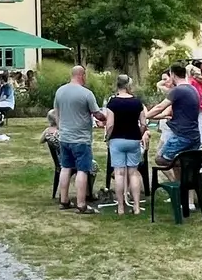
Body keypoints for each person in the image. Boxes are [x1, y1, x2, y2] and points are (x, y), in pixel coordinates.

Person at [146, 64, 202, 193]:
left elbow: (160, 107)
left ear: (172, 74)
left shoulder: (178, 90)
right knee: (180, 167)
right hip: (194, 135)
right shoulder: (192, 89)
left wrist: (144, 116)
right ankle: (186, 198)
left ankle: (185, 167)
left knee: (161, 159)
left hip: (182, 136)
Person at [53, 65, 101, 212]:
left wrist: (60, 127)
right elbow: (97, 113)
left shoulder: (60, 91)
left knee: (65, 167)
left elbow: (56, 112)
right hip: (81, 138)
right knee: (82, 170)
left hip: (64, 137)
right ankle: (81, 204)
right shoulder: (86, 94)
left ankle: (64, 200)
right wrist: (106, 117)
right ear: (82, 75)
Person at [102, 75, 146, 216]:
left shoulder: (113, 103)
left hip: (117, 139)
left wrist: (107, 138)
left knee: (119, 173)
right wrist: (139, 134)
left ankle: (121, 207)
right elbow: (143, 123)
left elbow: (110, 125)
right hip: (133, 139)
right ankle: (136, 207)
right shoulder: (137, 102)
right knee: (133, 173)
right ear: (128, 85)